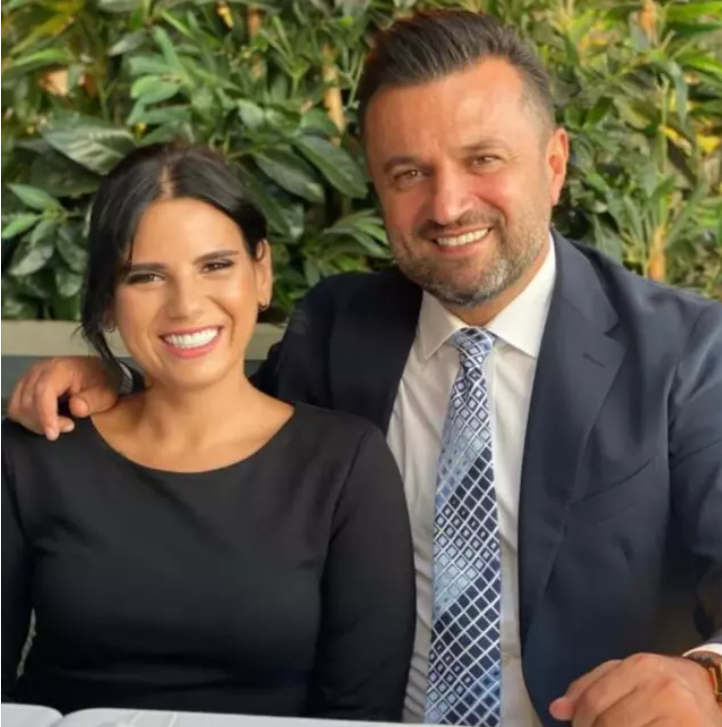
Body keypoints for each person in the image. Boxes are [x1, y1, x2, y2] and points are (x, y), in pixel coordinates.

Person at [7, 10, 722, 727]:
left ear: (554, 163)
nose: (447, 205)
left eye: (483, 159)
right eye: (409, 173)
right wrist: (116, 379)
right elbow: (219, 435)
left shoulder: (684, 350)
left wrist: (707, 678)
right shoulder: (340, 328)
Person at [1, 143, 416, 720]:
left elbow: (361, 712)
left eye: (215, 265)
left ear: (261, 273)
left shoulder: (345, 464)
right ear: (107, 301)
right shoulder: (37, 450)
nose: (186, 305)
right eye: (146, 276)